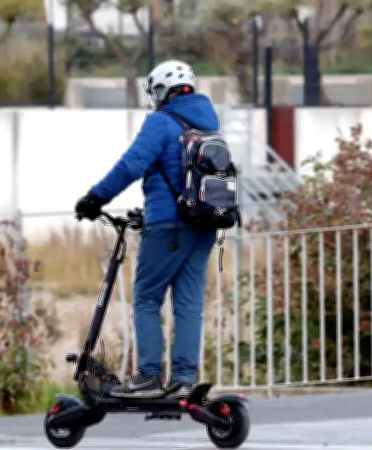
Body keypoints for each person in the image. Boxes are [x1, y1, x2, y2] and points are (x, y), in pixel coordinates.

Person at [74, 59, 218, 399]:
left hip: (169, 227)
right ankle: (183, 379)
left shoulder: (161, 122)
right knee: (188, 303)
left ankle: (148, 377)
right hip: (206, 224)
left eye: (154, 91)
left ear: (162, 90)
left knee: (147, 299)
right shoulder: (210, 124)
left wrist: (95, 198)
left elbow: (131, 165)